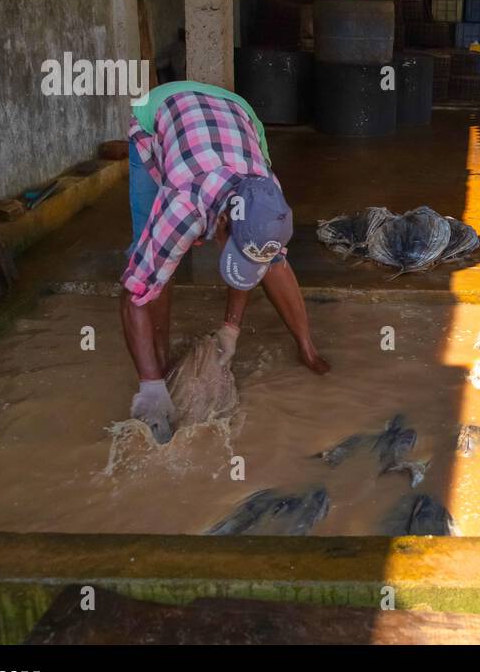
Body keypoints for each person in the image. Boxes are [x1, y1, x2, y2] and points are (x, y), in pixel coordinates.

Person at [121, 80, 329, 444]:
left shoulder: (268, 198)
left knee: (267, 255)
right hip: (159, 113)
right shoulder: (183, 205)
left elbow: (263, 261)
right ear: (220, 222)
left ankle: (307, 347)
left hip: (237, 111)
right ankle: (160, 362)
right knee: (152, 261)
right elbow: (134, 294)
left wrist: (230, 329)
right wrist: (150, 388)